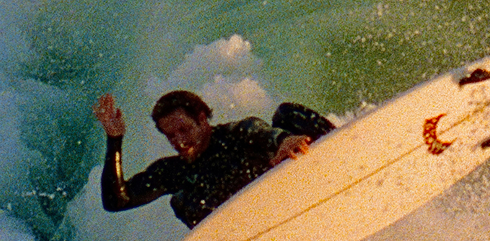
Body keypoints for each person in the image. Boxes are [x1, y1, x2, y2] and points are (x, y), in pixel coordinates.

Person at [95, 90, 335, 228]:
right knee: (180, 200)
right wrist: (114, 140)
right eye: (170, 136)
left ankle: (341, 163)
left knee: (287, 113)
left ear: (202, 119)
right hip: (247, 231)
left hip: (291, 201)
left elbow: (265, 134)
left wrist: (284, 141)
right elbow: (116, 201)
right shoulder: (173, 171)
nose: (179, 141)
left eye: (184, 130)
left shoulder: (237, 134)